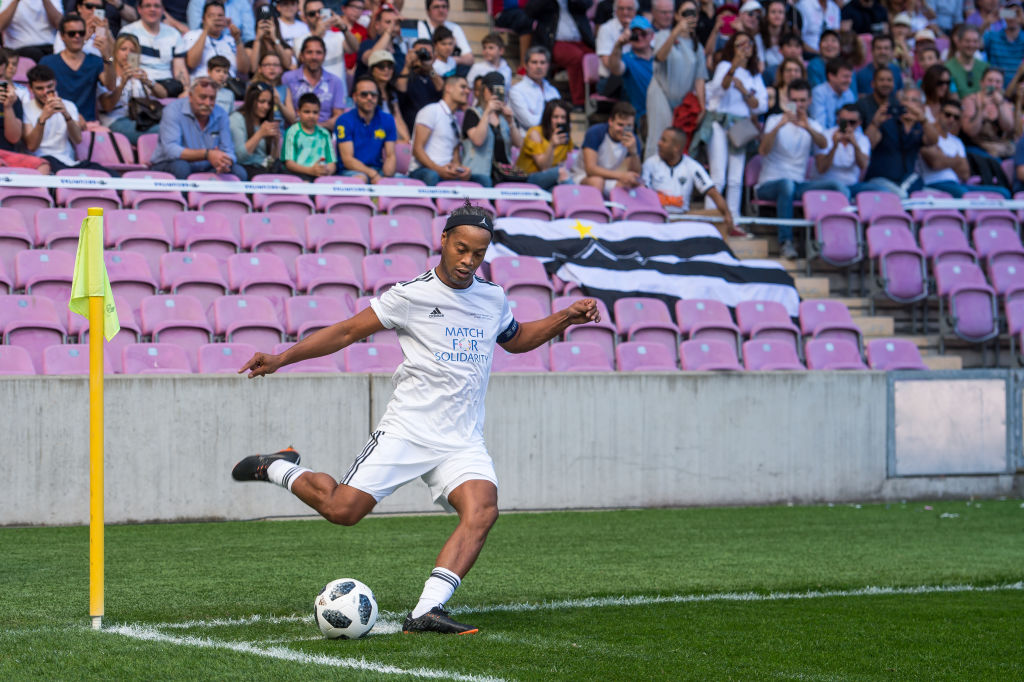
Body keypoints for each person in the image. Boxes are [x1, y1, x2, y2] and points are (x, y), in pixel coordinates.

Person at [232, 202, 602, 636]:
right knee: (342, 511)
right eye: (461, 249)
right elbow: (347, 332)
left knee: (482, 510)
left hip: (462, 439)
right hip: (407, 429)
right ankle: (278, 466)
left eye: (478, 254)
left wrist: (566, 317)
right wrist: (282, 357)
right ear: (443, 241)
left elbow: (517, 340)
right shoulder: (410, 295)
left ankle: (427, 611)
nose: (468, 261)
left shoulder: (491, 297)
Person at [754, 78, 846, 259]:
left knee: (837, 187)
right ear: (788, 101)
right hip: (769, 184)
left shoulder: (813, 124)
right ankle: (786, 242)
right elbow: (762, 150)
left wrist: (807, 127)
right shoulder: (774, 120)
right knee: (786, 185)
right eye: (795, 100)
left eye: (803, 100)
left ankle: (832, 243)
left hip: (798, 185)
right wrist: (781, 123)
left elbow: (824, 143)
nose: (799, 105)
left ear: (810, 101)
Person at [697, 31, 767, 221]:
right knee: (718, 175)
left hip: (740, 126)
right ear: (732, 48)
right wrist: (734, 65)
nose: (745, 48)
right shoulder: (725, 66)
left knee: (736, 178)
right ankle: (711, 219)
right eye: (740, 44)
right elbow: (722, 87)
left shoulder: (755, 75)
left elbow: (761, 105)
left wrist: (744, 90)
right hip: (720, 122)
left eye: (749, 44)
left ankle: (733, 219)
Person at [642, 126, 739, 238]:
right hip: (656, 217)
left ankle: (720, 253)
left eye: (664, 140)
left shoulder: (691, 165)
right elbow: (644, 192)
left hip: (683, 218)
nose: (659, 143)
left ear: (676, 147)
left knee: (719, 215)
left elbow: (712, 192)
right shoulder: (650, 163)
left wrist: (727, 214)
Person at [646, 0, 707, 160]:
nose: (690, 17)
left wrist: (702, 106)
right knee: (658, 137)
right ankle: (649, 177)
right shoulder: (663, 35)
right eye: (685, 13)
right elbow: (659, 57)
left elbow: (700, 78)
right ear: (677, 16)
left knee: (675, 142)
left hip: (682, 101)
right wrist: (676, 32)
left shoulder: (697, 46)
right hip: (661, 93)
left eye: (693, 13)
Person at [150, 76, 246, 179]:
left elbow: (228, 150)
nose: (207, 103)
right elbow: (171, 150)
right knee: (181, 167)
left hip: (207, 166)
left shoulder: (221, 114)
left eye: (212, 98)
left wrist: (225, 162)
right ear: (190, 96)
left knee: (238, 171)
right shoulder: (173, 110)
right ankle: (182, 196)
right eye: (203, 97)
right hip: (169, 164)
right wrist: (207, 154)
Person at [921, 98, 1010, 198]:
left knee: (1003, 193)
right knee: (963, 194)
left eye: (956, 117)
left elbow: (965, 174)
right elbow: (935, 163)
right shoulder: (929, 136)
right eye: (948, 114)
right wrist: (957, 161)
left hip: (957, 184)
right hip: (934, 183)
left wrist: (944, 159)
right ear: (938, 114)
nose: (951, 119)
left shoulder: (957, 141)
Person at [410, 75, 484, 186]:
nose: (468, 91)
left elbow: (455, 157)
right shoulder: (431, 110)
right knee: (432, 176)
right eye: (463, 87)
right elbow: (417, 149)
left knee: (483, 180)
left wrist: (460, 170)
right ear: (448, 88)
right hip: (423, 170)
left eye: (468, 88)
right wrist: (438, 169)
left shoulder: (454, 120)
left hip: (446, 172)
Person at [21, 63, 95, 172]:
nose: (46, 92)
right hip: (42, 162)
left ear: (55, 84)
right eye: (40, 88)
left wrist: (66, 114)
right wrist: (43, 118)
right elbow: (32, 146)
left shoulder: (69, 105)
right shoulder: (26, 108)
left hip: (68, 163)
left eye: (49, 87)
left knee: (107, 174)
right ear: (31, 89)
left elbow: (77, 139)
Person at [524, 0, 595, 111]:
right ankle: (579, 102)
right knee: (576, 57)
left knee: (594, 58)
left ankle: (593, 99)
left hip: (581, 40)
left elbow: (587, 4)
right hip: (554, 42)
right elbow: (530, 10)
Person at [40, 14, 112, 123]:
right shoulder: (47, 62)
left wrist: (107, 56)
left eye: (81, 33)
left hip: (89, 125)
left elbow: (110, 85)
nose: (77, 36)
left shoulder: (96, 61)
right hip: (56, 121)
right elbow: (40, 95)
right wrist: (70, 116)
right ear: (62, 36)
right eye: (71, 33)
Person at [98, 34, 168, 143]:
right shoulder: (107, 75)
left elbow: (163, 94)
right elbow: (107, 106)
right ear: (116, 52)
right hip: (115, 121)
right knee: (164, 131)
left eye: (132, 51)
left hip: (139, 119)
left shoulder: (139, 73)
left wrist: (148, 82)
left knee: (173, 126)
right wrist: (122, 84)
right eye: (123, 49)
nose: (127, 54)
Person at [864, 85, 934, 193]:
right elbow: (868, 143)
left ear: (922, 106)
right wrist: (875, 123)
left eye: (914, 100)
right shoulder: (886, 121)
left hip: (905, 182)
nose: (908, 104)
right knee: (900, 195)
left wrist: (924, 120)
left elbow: (933, 141)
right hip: (880, 181)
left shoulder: (920, 127)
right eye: (905, 99)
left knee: (932, 197)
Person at [811, 103, 892, 195]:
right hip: (826, 185)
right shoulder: (825, 136)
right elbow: (821, 168)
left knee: (883, 191)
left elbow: (863, 165)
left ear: (859, 123)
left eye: (852, 122)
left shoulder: (862, 139)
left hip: (851, 186)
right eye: (843, 122)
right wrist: (834, 146)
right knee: (839, 187)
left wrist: (854, 144)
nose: (847, 126)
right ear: (837, 120)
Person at [460, 72, 522, 189]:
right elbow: (478, 140)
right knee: (486, 181)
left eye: (500, 90)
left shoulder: (505, 116)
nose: (496, 94)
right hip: (479, 172)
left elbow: (519, 143)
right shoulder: (472, 113)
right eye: (492, 89)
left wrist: (511, 122)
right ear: (484, 91)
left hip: (503, 172)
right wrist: (487, 112)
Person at [570, 100, 642, 196]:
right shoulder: (596, 132)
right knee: (597, 181)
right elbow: (590, 169)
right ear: (610, 122)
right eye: (620, 125)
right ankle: (595, 210)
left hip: (609, 178)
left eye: (628, 126)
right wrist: (621, 175)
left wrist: (633, 152)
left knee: (629, 186)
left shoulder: (633, 140)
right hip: (582, 175)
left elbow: (635, 174)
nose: (623, 130)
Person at [120, 0, 188, 97]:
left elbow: (180, 68)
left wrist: (186, 89)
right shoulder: (129, 32)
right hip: (141, 81)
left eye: (156, 6)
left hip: (167, 83)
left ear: (163, 10)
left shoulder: (173, 34)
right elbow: (128, 65)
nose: (152, 9)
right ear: (139, 9)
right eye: (148, 6)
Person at [336, 75, 397, 182]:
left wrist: (387, 178)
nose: (369, 98)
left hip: (377, 170)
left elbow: (390, 155)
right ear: (355, 97)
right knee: (361, 179)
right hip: (350, 171)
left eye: (373, 95)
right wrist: (373, 174)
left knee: (403, 183)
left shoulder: (387, 119)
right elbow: (347, 160)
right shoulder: (344, 120)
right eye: (364, 94)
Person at [0, 53, 50, 173]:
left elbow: (14, 138)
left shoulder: (13, 99)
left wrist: (8, 108)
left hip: (6, 154)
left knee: (42, 166)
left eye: (2, 77)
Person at [283, 36, 347, 128]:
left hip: (324, 133)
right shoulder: (288, 78)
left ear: (324, 56)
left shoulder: (335, 81)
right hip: (294, 133)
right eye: (309, 52)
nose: (314, 57)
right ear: (302, 56)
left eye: (318, 53)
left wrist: (317, 128)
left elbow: (338, 116)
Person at [181, 1, 249, 81]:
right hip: (203, 83)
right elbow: (191, 63)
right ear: (203, 19)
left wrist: (237, 39)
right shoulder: (192, 36)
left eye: (220, 15)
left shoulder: (231, 39)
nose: (217, 18)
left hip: (229, 85)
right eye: (211, 16)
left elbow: (244, 70)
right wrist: (206, 30)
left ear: (225, 19)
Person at [229, 81, 282, 179]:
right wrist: (260, 134)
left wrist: (276, 142)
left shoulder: (266, 121)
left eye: (269, 103)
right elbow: (240, 157)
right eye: (262, 102)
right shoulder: (236, 119)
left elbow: (272, 161)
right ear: (251, 100)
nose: (266, 107)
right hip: (245, 169)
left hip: (264, 169)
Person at [514, 98, 571, 188]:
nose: (559, 121)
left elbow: (561, 164)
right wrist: (552, 145)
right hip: (527, 178)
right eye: (555, 117)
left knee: (559, 191)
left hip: (549, 180)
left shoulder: (565, 137)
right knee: (561, 172)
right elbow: (544, 167)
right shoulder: (535, 133)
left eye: (563, 117)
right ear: (548, 118)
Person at [961, 67, 1016, 160]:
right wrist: (981, 109)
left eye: (998, 82)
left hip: (1000, 147)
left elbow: (1008, 127)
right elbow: (970, 132)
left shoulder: (1005, 103)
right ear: (981, 82)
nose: (993, 85)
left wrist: (1000, 105)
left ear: (1002, 85)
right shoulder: (970, 100)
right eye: (990, 80)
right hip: (976, 147)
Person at [608, 16, 654, 124]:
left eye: (643, 34)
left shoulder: (659, 56)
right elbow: (615, 68)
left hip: (661, 112)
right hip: (639, 118)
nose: (639, 37)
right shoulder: (627, 58)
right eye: (635, 34)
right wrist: (618, 45)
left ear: (652, 36)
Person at [282, 92, 337, 180]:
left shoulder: (324, 133)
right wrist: (310, 170)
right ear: (298, 112)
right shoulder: (292, 132)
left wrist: (326, 171)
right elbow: (289, 163)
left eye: (315, 112)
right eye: (307, 112)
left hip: (321, 177)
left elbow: (332, 163)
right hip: (298, 175)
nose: (311, 116)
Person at [395, 38, 443, 133]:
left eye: (427, 52)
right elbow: (400, 89)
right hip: (412, 130)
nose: (423, 55)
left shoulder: (435, 76)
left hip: (434, 130)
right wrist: (408, 64)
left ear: (434, 57)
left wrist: (430, 68)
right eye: (419, 52)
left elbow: (442, 90)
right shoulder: (405, 75)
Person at [508, 46, 560, 131]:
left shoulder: (553, 91)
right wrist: (552, 117)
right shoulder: (516, 91)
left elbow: (562, 118)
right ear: (525, 65)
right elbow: (530, 122)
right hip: (527, 141)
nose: (538, 66)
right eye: (534, 62)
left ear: (548, 65)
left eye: (542, 62)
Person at [416, 0, 474, 75]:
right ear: (428, 11)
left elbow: (469, 59)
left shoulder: (455, 28)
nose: (441, 10)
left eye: (444, 6)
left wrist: (450, 60)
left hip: (450, 74)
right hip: (427, 73)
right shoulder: (419, 27)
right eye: (436, 7)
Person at [595, 0, 637, 95]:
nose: (625, 12)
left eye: (629, 9)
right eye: (621, 9)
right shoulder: (605, 29)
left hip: (634, 76)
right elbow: (607, 63)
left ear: (635, 11)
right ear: (615, 10)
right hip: (610, 80)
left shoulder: (641, 28)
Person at [367, 49, 410, 142]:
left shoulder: (391, 92)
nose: (386, 70)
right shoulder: (366, 92)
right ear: (372, 70)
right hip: (372, 139)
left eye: (390, 67)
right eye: (381, 67)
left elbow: (397, 118)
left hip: (390, 139)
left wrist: (406, 139)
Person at [356, 2, 405, 80]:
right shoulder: (367, 44)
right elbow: (372, 58)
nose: (393, 26)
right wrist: (388, 32)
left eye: (396, 23)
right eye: (388, 22)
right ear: (377, 25)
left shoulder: (399, 51)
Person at [304, 0, 349, 82]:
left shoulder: (338, 35)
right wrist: (318, 32)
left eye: (320, 12)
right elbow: (302, 61)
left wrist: (344, 28)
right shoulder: (300, 40)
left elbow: (354, 48)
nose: (318, 16)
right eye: (312, 14)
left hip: (339, 92)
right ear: (305, 18)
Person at [248, 2, 294, 78]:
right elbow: (253, 68)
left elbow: (287, 64)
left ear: (275, 24)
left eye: (269, 22)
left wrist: (274, 38)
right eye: (263, 22)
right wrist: (258, 39)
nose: (266, 25)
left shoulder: (285, 46)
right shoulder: (250, 46)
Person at [251, 50, 297, 126]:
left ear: (281, 69)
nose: (272, 68)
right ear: (259, 69)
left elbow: (292, 119)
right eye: (267, 65)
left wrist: (279, 103)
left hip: (280, 133)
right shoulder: (253, 87)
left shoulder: (284, 89)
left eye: (276, 65)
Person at [983, 3, 1024, 86]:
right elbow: (975, 44)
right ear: (1004, 15)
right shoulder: (992, 36)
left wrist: (1023, 22)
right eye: (1009, 13)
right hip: (995, 85)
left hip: (1019, 87)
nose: (1012, 18)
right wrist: (986, 23)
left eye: (1017, 14)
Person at [810, 58, 855, 128]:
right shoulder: (818, 93)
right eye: (845, 77)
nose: (849, 81)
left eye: (850, 77)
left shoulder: (849, 94)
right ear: (831, 76)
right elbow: (819, 126)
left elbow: (853, 123)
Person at [465, 32, 513, 97]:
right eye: (484, 48)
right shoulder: (477, 67)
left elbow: (507, 91)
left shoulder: (507, 69)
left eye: (491, 48)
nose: (487, 51)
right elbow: (469, 88)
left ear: (501, 51)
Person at [945, 24, 987, 96]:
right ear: (959, 42)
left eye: (975, 41)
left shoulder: (985, 67)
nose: (971, 45)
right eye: (967, 41)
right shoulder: (948, 68)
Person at [186, 0, 253, 43]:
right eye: (211, 15)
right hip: (204, 42)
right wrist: (211, 26)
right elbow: (194, 31)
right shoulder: (198, 1)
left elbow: (249, 37)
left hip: (234, 45)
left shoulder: (242, 2)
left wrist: (235, 33)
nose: (217, 18)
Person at [758, 0, 791, 83]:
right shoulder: (759, 37)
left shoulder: (790, 37)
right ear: (767, 15)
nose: (777, 15)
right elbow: (761, 68)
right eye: (773, 12)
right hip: (768, 79)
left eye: (780, 12)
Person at [493, 0, 532, 70]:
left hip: (522, 14)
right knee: (525, 21)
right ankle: (524, 65)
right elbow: (515, 4)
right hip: (503, 13)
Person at [855, 64, 897, 130]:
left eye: (889, 80)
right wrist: (875, 123)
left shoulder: (896, 104)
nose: (885, 83)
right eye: (881, 80)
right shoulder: (861, 106)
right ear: (873, 84)